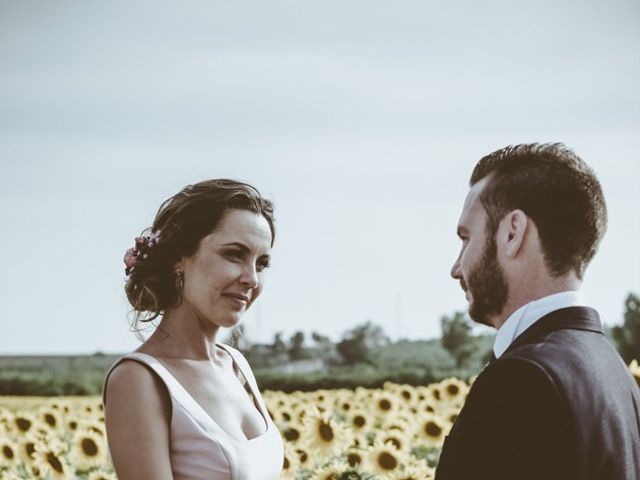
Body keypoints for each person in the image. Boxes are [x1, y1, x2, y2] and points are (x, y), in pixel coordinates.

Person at [435, 144, 640, 480]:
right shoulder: (616, 374)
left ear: (512, 233)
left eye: (466, 238)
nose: (457, 268)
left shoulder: (521, 380)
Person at [103, 179, 283, 480]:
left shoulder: (237, 366)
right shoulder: (139, 380)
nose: (251, 279)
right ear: (179, 259)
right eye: (234, 254)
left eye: (261, 263)